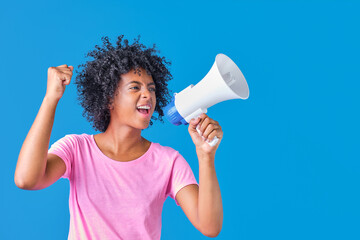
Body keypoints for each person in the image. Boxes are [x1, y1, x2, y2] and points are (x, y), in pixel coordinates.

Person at [14, 35, 223, 239]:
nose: (148, 95)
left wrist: (206, 156)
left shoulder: (169, 162)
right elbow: (26, 179)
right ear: (109, 99)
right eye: (135, 87)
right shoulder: (76, 149)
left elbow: (209, 226)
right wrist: (51, 98)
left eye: (152, 89)